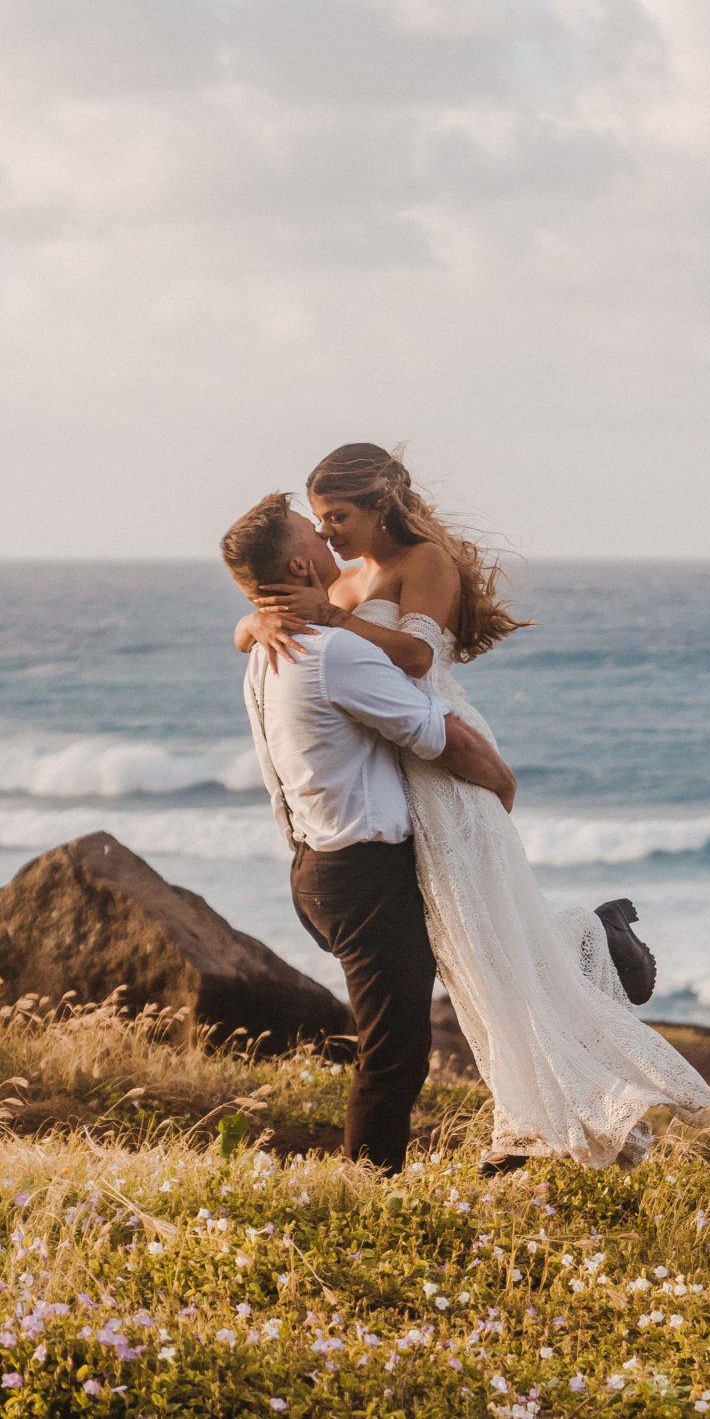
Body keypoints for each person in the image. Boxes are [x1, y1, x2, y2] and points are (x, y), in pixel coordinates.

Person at [236, 444, 710, 1172]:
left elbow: (418, 659)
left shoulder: (423, 561)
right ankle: (590, 948)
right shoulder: (345, 579)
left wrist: (328, 622)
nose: (327, 531)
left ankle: (532, 1117)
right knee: (474, 952)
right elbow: (273, 626)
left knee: (489, 937)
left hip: (444, 760)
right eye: (320, 521)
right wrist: (258, 624)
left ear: (379, 504)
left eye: (337, 516)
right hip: (406, 768)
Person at [221, 492, 518, 1173]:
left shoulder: (265, 653)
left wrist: (250, 622)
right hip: (364, 873)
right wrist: (501, 780)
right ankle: (366, 1190)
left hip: (314, 867)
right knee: (394, 1052)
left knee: (480, 961)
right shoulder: (330, 652)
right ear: (299, 562)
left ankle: (592, 963)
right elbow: (432, 731)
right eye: (313, 533)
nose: (327, 539)